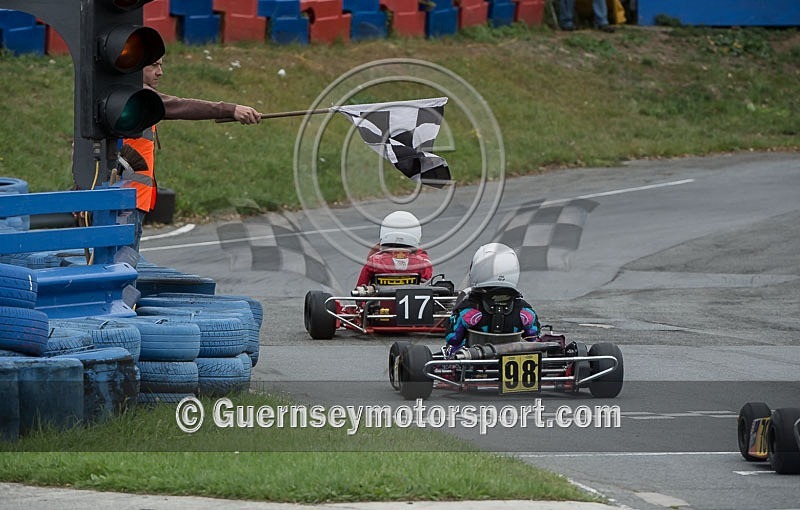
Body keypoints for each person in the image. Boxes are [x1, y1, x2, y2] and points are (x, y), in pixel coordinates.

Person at [120, 57, 262, 250]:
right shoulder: (138, 96)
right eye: (153, 65)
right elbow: (181, 106)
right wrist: (231, 109)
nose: (160, 72)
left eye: (161, 65)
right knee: (122, 263)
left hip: (131, 199)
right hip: (127, 200)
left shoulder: (122, 94)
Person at [444, 243, 540, 357]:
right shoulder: (525, 311)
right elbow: (534, 337)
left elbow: (453, 338)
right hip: (512, 360)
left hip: (473, 363)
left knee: (452, 349)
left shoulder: (468, 309)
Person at [355, 211, 433, 289]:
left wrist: (379, 247)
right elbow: (427, 276)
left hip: (382, 296)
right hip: (412, 296)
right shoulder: (419, 262)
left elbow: (360, 287)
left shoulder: (375, 261)